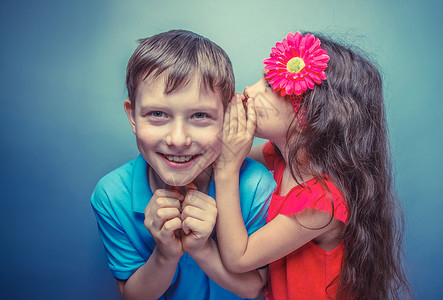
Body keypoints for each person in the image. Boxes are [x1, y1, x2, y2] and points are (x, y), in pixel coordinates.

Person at [214, 32, 411, 299]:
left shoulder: (322, 203)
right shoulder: (284, 157)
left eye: (269, 87)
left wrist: (226, 170)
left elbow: (239, 257)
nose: (250, 90)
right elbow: (228, 149)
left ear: (312, 113)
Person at [90, 29, 276, 300]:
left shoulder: (257, 186)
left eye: (200, 115)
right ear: (132, 116)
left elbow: (254, 287)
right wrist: (165, 255)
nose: (178, 139)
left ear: (226, 118)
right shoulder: (111, 195)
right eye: (157, 114)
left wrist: (203, 250)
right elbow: (133, 295)